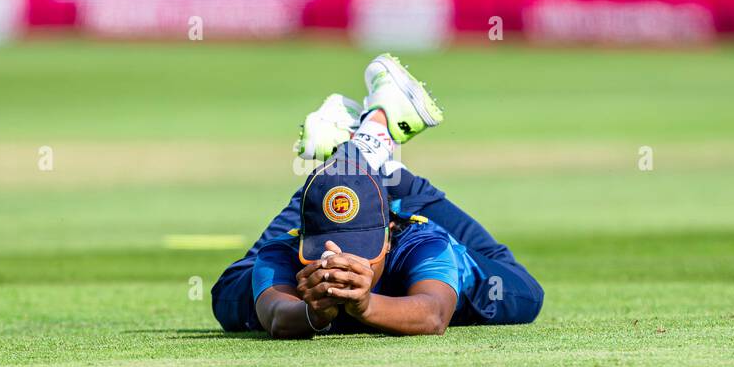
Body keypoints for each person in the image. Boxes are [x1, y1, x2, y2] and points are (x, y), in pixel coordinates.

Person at [211, 54, 545, 338]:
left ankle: (363, 148)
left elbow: (433, 314)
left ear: (388, 237)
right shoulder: (283, 254)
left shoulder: (424, 245)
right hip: (333, 211)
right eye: (322, 244)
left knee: (526, 293)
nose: (339, 258)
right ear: (300, 239)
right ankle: (367, 146)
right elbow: (276, 315)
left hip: (403, 206)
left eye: (361, 246)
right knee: (229, 293)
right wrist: (314, 315)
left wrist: (365, 304)